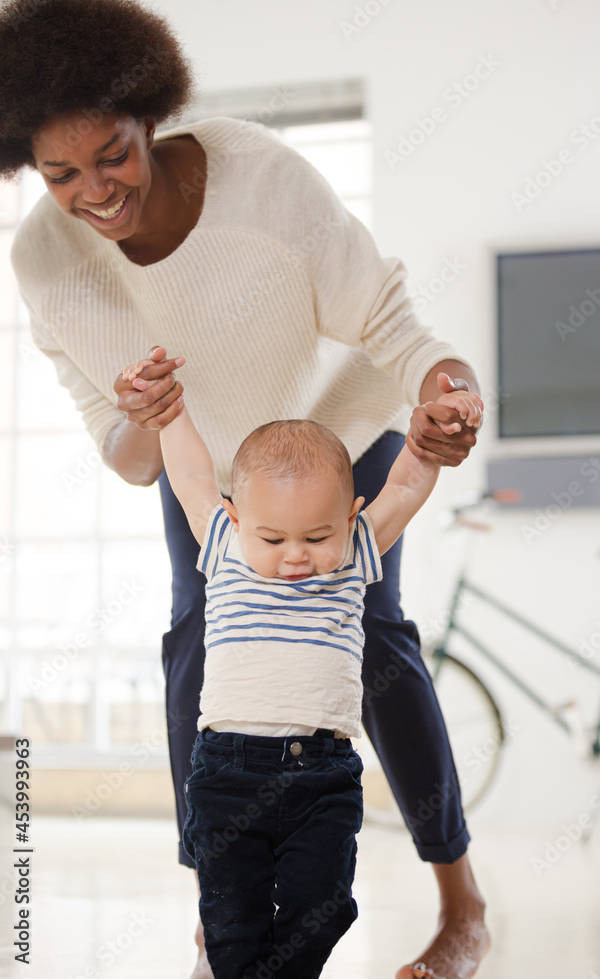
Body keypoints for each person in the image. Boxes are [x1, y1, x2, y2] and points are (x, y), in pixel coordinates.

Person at [3, 0, 489, 977]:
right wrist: (145, 417)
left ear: (150, 116)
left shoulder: (259, 177)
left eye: (113, 154)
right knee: (194, 641)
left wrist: (447, 388)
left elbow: (391, 325)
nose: (95, 190)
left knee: (374, 637)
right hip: (205, 462)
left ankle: (460, 901)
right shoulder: (44, 262)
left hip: (335, 431)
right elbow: (127, 456)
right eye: (61, 174)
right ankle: (217, 907)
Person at [120, 354, 482, 978]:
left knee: (326, 907)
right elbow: (192, 473)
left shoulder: (354, 554)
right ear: (237, 520)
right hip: (228, 775)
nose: (295, 557)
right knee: (231, 924)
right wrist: (170, 410)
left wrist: (433, 432)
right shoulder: (225, 546)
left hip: (322, 775)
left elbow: (403, 488)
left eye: (316, 538)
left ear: (349, 519)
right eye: (273, 539)